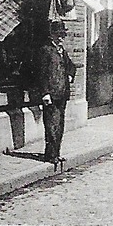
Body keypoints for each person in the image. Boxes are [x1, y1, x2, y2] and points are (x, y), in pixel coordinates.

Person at [34, 19, 77, 169]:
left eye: (62, 35)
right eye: (58, 35)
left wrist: (70, 75)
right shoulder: (45, 51)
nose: (60, 38)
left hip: (62, 93)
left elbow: (71, 66)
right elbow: (41, 74)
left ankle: (56, 153)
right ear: (51, 35)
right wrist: (45, 92)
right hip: (51, 94)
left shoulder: (61, 51)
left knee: (59, 125)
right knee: (51, 124)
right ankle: (50, 155)